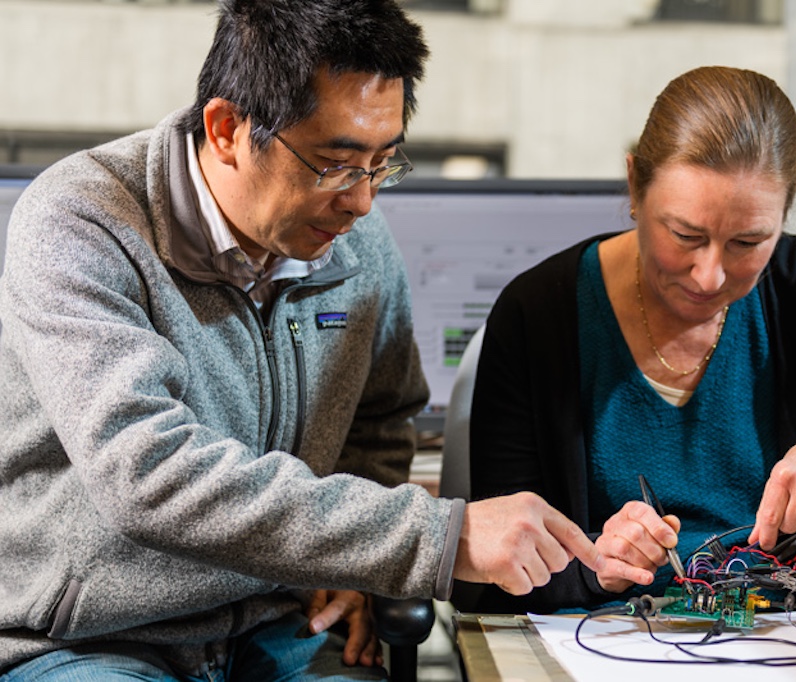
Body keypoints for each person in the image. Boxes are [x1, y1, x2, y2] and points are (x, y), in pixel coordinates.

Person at [0, 1, 607, 679]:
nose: (362, 202)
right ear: (227, 129)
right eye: (337, 165)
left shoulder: (358, 246)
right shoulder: (83, 223)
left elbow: (381, 420)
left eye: (383, 163)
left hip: (278, 620)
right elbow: (147, 476)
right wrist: (438, 536)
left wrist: (354, 566)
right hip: (99, 638)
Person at [463, 66, 796, 614]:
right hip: (595, 641)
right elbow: (495, 569)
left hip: (789, 641)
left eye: (748, 241)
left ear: (786, 209)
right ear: (634, 186)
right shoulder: (538, 313)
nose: (710, 276)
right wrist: (600, 568)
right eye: (685, 236)